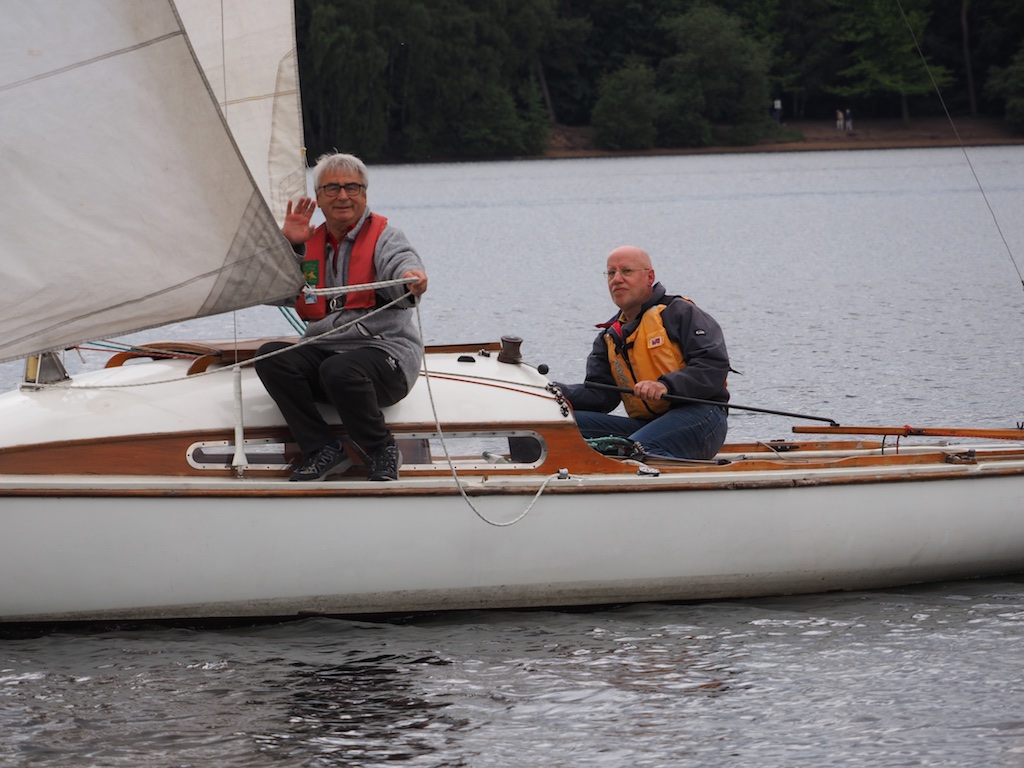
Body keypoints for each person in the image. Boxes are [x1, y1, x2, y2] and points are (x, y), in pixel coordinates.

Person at [255, 153, 427, 482]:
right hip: (328, 355)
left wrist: (411, 279)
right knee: (270, 358)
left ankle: (382, 449)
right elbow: (265, 290)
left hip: (385, 356)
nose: (343, 196)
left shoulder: (386, 238)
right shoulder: (309, 243)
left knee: (338, 369)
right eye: (332, 188)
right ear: (318, 198)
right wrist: (288, 247)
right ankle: (323, 449)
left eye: (352, 187)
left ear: (364, 194)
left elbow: (403, 266)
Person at [558, 246, 730, 460]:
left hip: (702, 417)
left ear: (650, 277)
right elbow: (600, 395)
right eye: (611, 273)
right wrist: (555, 393)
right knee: (557, 427)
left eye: (626, 271)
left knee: (638, 448)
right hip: (649, 424)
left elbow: (713, 366)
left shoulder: (680, 312)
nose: (617, 279)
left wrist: (665, 385)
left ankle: (644, 467)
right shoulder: (609, 337)